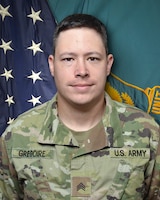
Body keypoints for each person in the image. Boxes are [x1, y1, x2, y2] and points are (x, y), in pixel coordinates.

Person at [0, 13, 160, 200]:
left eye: (92, 58)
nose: (81, 71)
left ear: (108, 65)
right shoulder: (17, 137)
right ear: (52, 65)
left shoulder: (148, 134)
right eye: (69, 59)